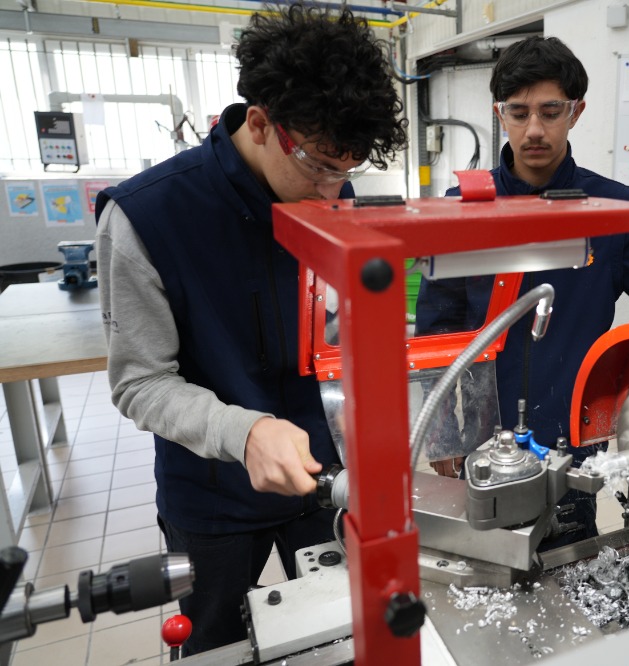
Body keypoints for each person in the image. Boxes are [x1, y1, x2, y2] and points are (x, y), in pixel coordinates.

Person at [95, 4, 407, 655]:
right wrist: (246, 430)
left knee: (342, 636)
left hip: (325, 483)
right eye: (320, 166)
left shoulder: (332, 194)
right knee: (215, 644)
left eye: (346, 170)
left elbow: (338, 337)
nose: (334, 191)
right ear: (261, 124)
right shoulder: (147, 216)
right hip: (211, 499)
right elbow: (140, 383)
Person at [416, 36, 629, 548]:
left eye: (550, 111)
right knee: (488, 558)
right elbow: (438, 329)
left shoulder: (612, 209)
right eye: (518, 112)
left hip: (571, 434)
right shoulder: (465, 209)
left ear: (575, 113)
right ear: (500, 114)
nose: (533, 129)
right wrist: (446, 429)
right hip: (485, 438)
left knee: (567, 557)